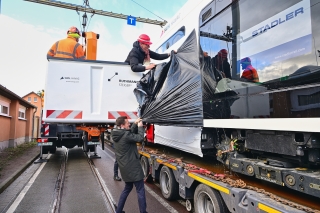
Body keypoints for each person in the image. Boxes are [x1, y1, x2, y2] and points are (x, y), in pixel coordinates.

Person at [111, 116, 147, 213]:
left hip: (124, 168)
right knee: (140, 190)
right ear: (122, 125)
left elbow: (128, 132)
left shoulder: (116, 133)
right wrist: (140, 127)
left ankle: (118, 211)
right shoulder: (126, 135)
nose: (129, 124)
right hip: (133, 167)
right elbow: (139, 138)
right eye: (127, 123)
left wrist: (135, 124)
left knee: (127, 188)